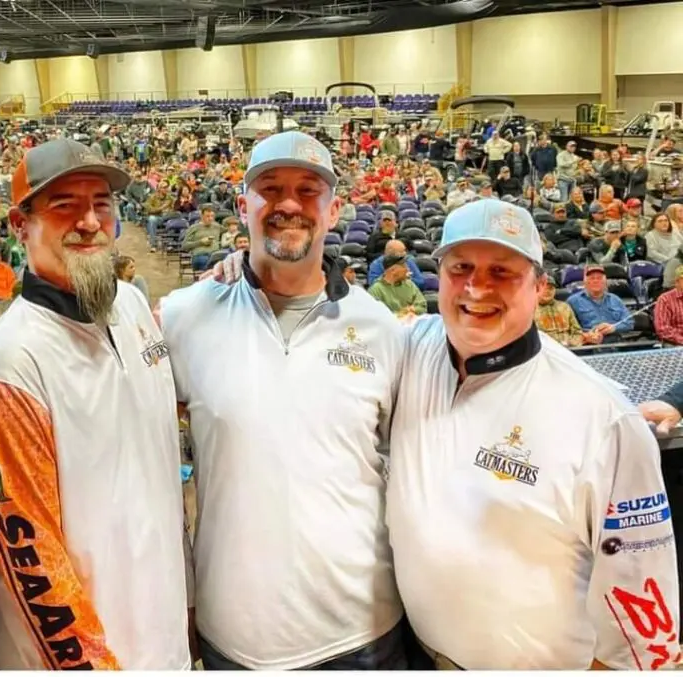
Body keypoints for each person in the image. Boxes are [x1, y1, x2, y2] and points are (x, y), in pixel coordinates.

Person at [385, 200, 678, 669]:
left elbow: (645, 601)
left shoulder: (603, 419)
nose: (477, 287)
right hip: (419, 654)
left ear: (540, 287)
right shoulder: (411, 347)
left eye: (502, 272)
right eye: (461, 268)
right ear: (438, 277)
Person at [160, 131, 410, 670]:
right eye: (270, 189)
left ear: (334, 208)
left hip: (362, 634)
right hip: (235, 638)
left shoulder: (379, 327)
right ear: (242, 205)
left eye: (307, 190)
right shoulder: (184, 316)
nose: (289, 204)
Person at [0, 138, 191, 670]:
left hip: (163, 641)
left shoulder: (131, 306)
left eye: (101, 204)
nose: (88, 221)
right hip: (83, 660)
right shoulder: (9, 366)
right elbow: (29, 557)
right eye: (64, 205)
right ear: (20, 225)